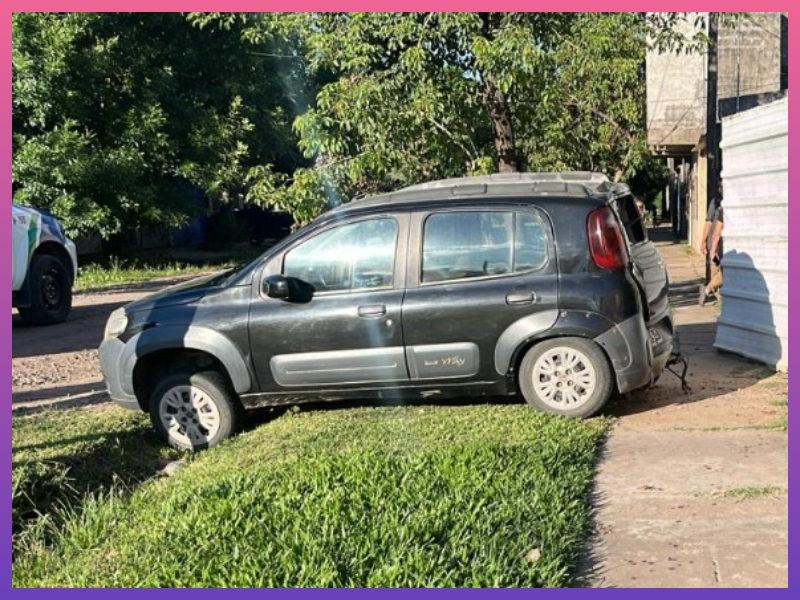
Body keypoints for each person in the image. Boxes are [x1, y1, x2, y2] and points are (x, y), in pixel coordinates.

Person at [699, 182, 724, 306]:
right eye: (720, 187)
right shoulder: (715, 203)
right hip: (715, 242)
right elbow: (709, 223)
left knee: (722, 271)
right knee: (716, 270)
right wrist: (703, 241)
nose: (722, 189)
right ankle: (710, 290)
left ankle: (708, 290)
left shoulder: (729, 203)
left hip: (723, 243)